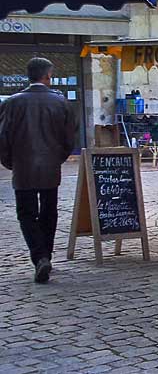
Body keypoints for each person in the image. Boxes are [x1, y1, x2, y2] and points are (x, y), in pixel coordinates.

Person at [0, 57, 75, 284]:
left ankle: (40, 256)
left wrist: (9, 161)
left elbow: (2, 137)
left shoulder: (12, 102)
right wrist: (58, 157)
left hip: (23, 166)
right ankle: (45, 255)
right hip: (50, 166)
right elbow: (69, 138)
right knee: (49, 212)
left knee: (26, 213)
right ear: (47, 76)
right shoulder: (61, 103)